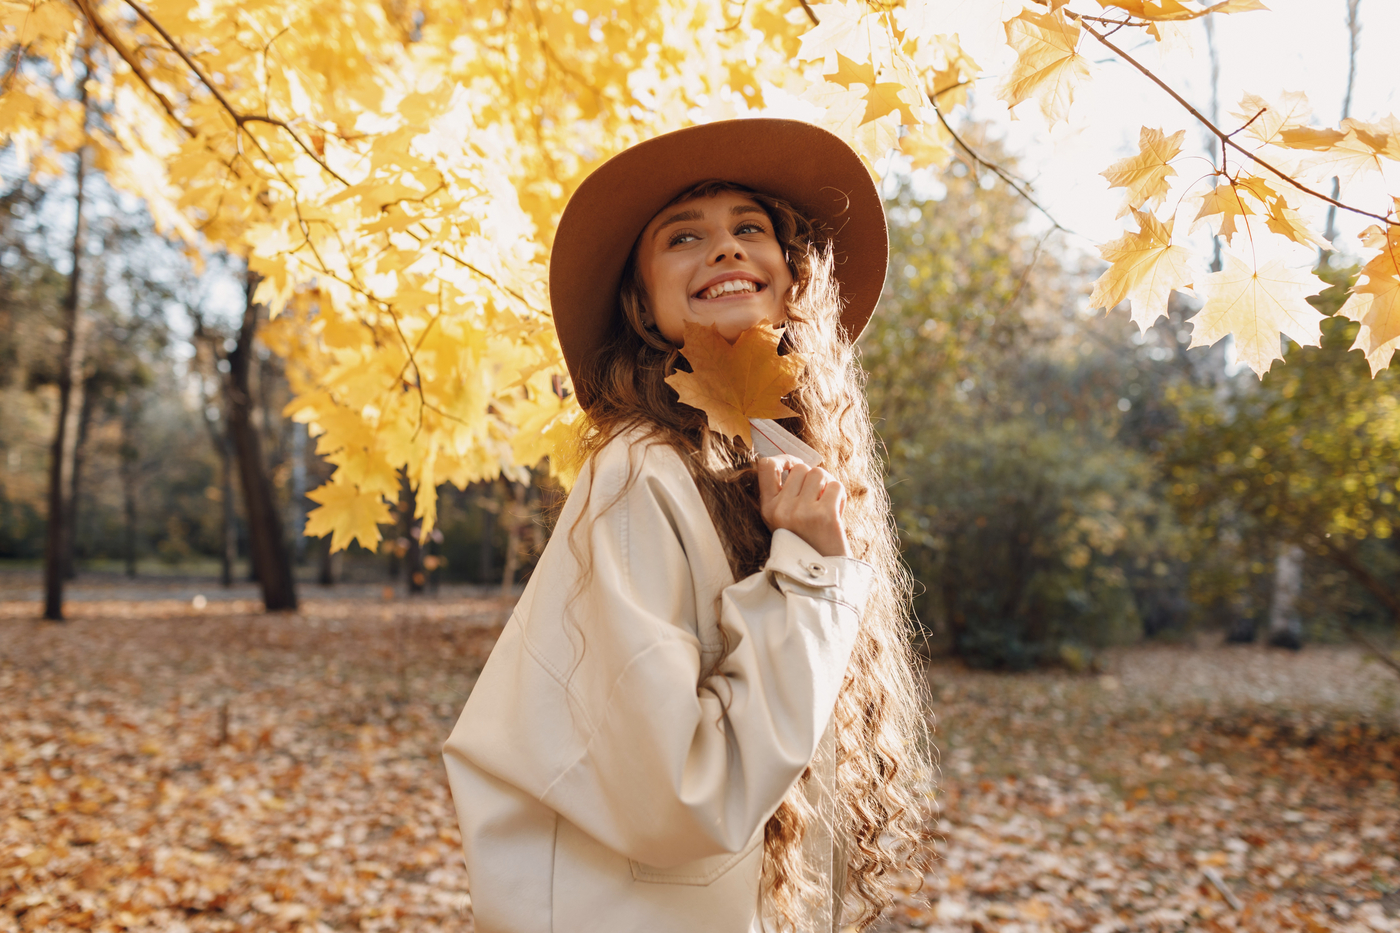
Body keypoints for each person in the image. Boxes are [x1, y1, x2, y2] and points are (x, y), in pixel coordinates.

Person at [442, 118, 930, 933]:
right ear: (641, 300)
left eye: (751, 228)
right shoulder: (642, 473)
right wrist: (810, 574)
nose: (728, 249)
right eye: (684, 236)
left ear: (793, 272)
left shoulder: (773, 465)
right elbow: (686, 793)